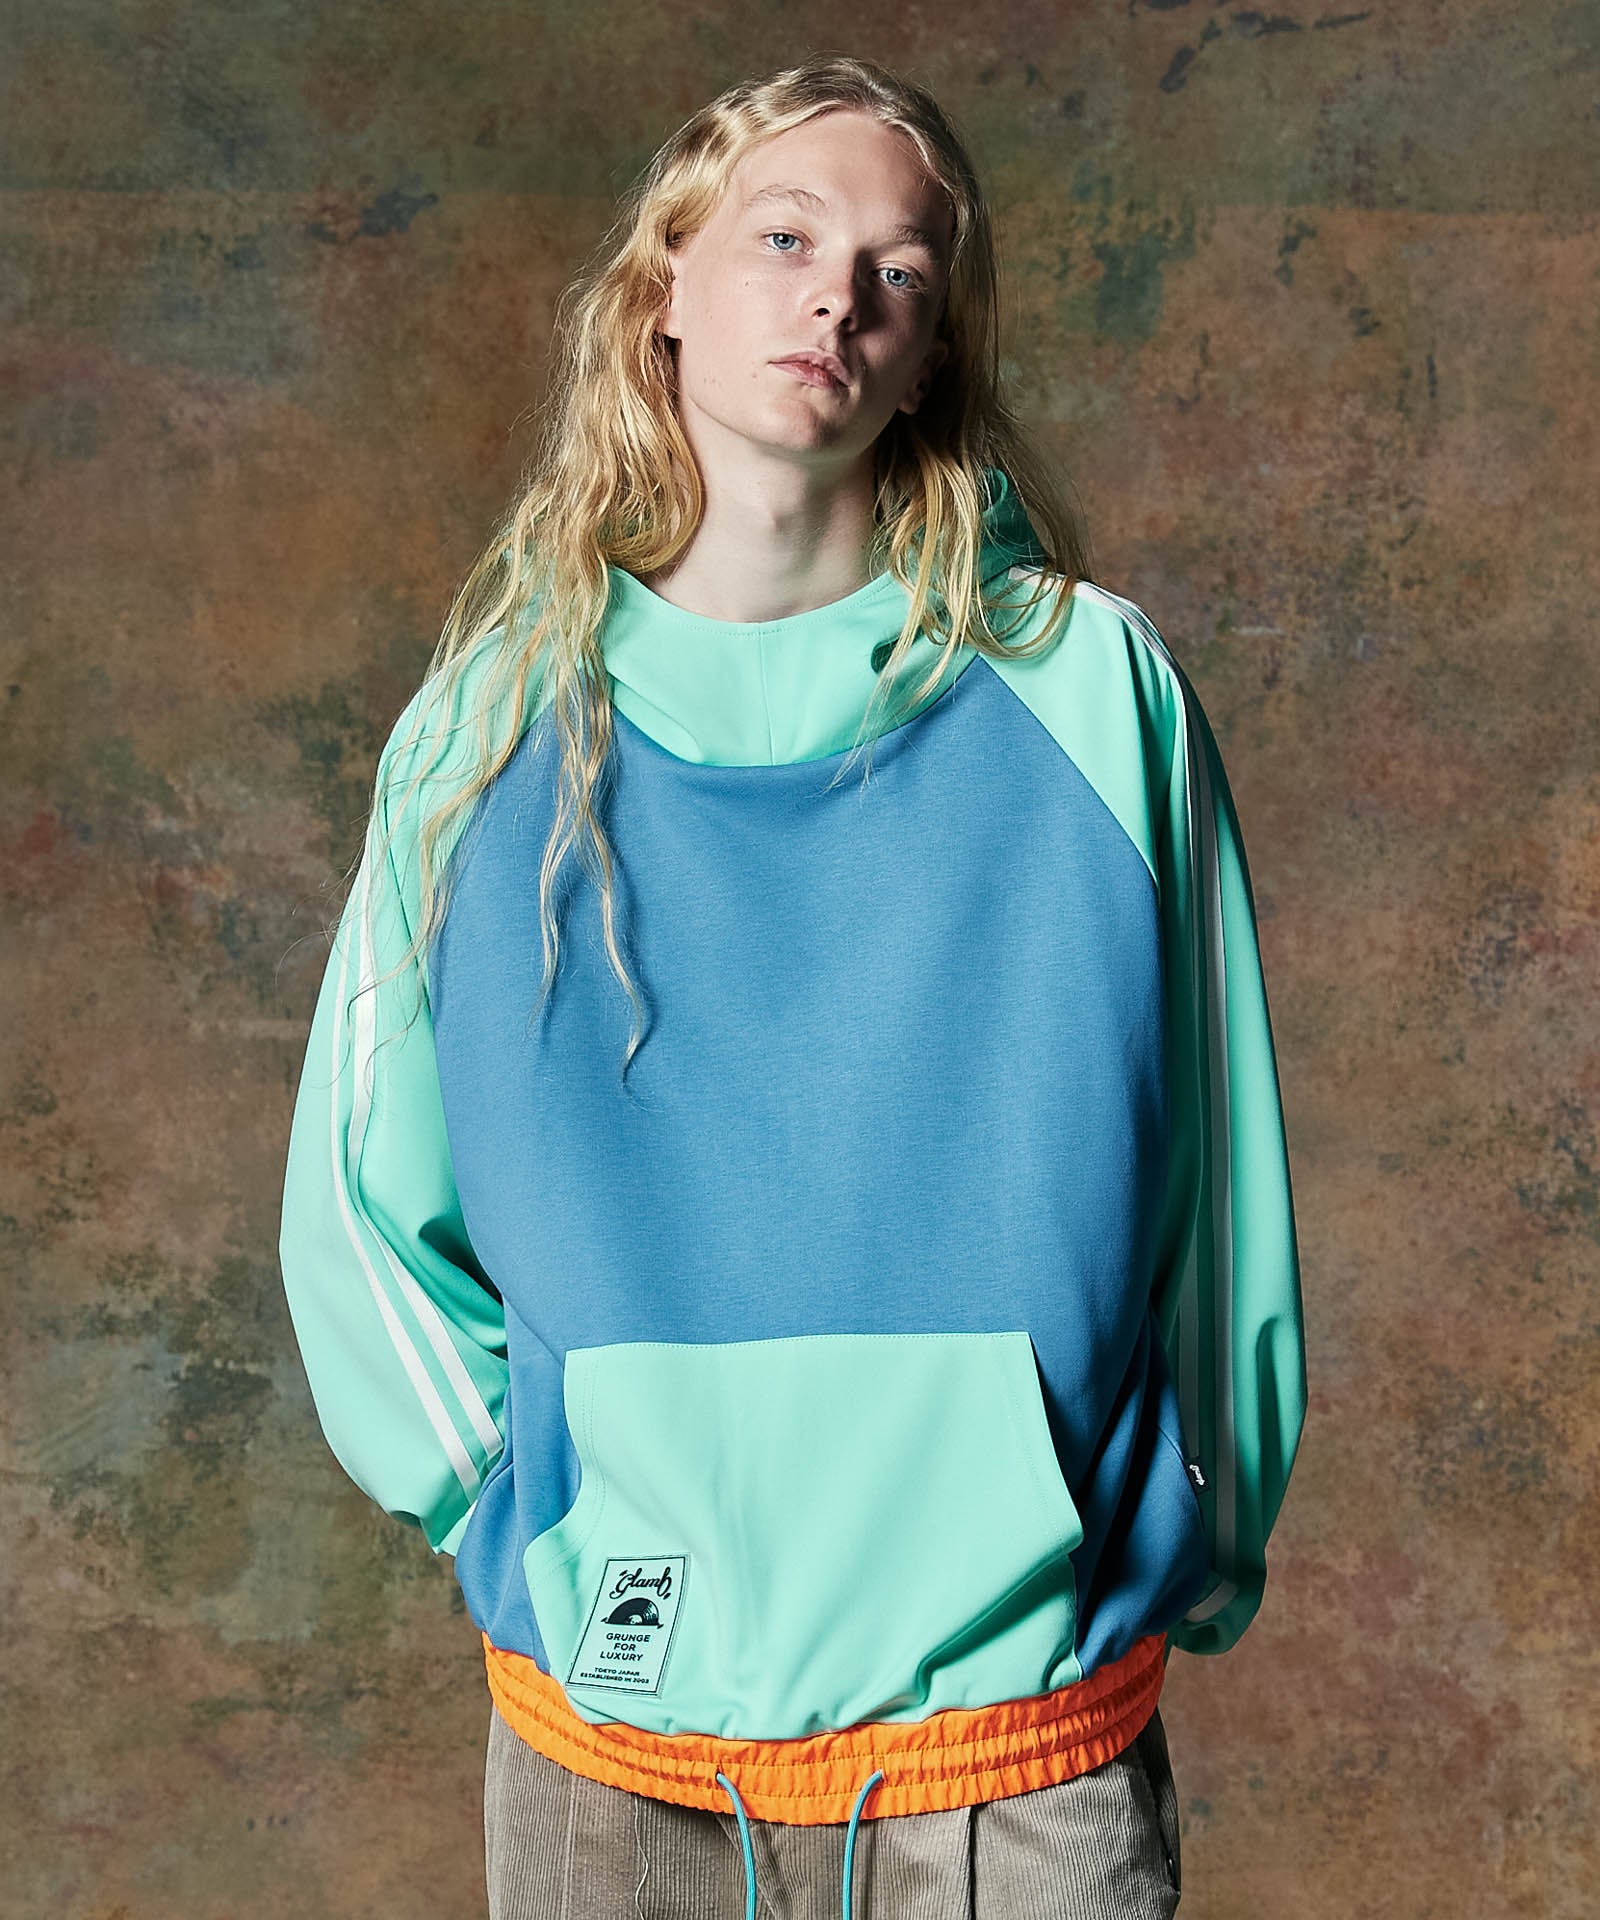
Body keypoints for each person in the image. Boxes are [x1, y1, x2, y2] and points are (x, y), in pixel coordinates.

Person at [276, 51, 1307, 1920]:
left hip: (1016, 1735)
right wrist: (516, 1514)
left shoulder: (1091, 694)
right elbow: (363, 1202)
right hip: (618, 1752)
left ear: (928, 358)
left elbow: (1217, 1177)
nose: (837, 296)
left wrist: (1181, 1532)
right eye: (784, 236)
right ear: (663, 287)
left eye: (897, 271)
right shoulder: (485, 731)